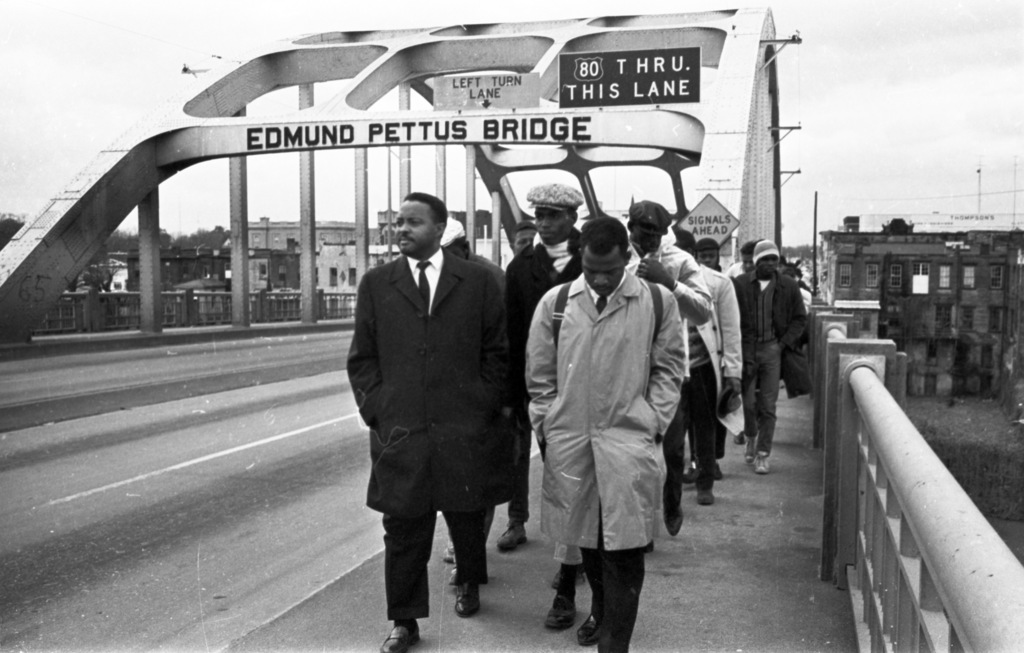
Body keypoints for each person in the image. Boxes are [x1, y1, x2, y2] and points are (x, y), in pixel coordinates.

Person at [347, 192, 508, 653]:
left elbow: (496, 352)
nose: (401, 230)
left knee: (466, 513)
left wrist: (482, 405)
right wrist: (378, 411)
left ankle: (469, 585)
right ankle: (404, 620)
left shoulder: (475, 282)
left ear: (440, 229)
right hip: (402, 430)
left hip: (462, 424)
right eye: (398, 222)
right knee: (403, 527)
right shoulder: (377, 284)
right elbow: (362, 358)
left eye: (413, 222)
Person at [527, 216, 686, 653]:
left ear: (627, 258)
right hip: (571, 446)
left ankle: (615, 646)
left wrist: (652, 421)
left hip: (627, 445)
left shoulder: (656, 301)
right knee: (588, 543)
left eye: (610, 271)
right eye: (591, 268)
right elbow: (539, 379)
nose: (599, 279)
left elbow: (670, 368)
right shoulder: (556, 303)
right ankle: (600, 610)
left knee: (625, 549)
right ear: (581, 258)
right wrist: (549, 425)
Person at [503, 182, 588, 629]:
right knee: (564, 481)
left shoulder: (593, 261)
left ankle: (570, 574)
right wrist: (515, 396)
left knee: (576, 485)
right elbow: (513, 337)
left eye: (553, 215)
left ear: (572, 219)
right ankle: (569, 565)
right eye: (539, 214)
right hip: (542, 394)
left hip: (590, 389)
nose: (544, 221)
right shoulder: (521, 268)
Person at [626, 200, 712, 533]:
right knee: (632, 448)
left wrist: (670, 283)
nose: (650, 240)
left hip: (669, 367)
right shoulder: (617, 255)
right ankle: (641, 526)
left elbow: (704, 310)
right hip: (626, 363)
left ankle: (671, 502)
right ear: (630, 226)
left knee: (671, 447)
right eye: (643, 231)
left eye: (657, 234)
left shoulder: (680, 260)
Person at [438, 218, 504, 585]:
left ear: (464, 248)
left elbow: (502, 345)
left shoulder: (491, 278)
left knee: (480, 480)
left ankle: (470, 553)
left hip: (482, 398)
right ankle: (462, 546)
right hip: (450, 399)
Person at [671, 231, 744, 506]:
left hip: (703, 366)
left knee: (705, 427)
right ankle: (675, 483)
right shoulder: (660, 279)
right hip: (672, 369)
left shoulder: (718, 283)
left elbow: (731, 329)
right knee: (673, 431)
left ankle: (705, 482)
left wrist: (733, 372)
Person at [733, 240, 807, 475]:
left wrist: (782, 344)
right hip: (747, 350)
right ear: (755, 261)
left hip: (772, 350)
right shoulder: (741, 284)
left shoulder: (788, 286)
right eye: (764, 259)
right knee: (748, 403)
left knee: (768, 404)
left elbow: (799, 319)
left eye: (773, 259)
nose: (769, 264)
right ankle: (751, 437)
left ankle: (763, 454)